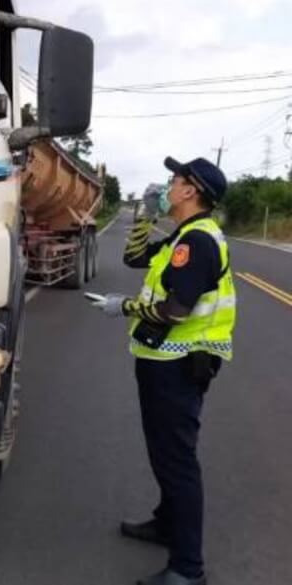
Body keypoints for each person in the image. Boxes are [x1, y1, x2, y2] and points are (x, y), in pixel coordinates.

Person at [90, 156, 236, 585]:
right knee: (164, 453)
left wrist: (125, 308)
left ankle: (188, 569)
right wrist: (142, 214)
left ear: (191, 191)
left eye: (174, 181)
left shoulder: (200, 243)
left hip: (179, 365)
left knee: (177, 461)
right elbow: (136, 257)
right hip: (160, 361)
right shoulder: (181, 237)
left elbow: (176, 310)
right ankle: (166, 523)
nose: (167, 186)